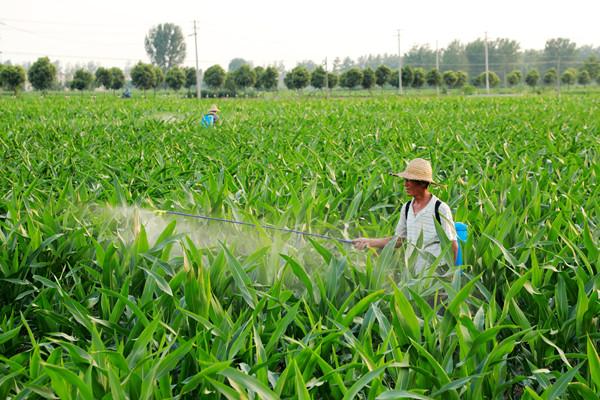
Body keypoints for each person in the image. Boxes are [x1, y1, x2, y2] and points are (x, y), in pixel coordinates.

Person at [353, 158, 458, 275]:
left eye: (409, 180)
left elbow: (452, 244)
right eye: (405, 180)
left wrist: (449, 277)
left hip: (436, 279)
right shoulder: (407, 207)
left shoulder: (440, 208)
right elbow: (398, 241)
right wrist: (368, 242)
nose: (405, 184)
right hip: (412, 277)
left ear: (423, 182)